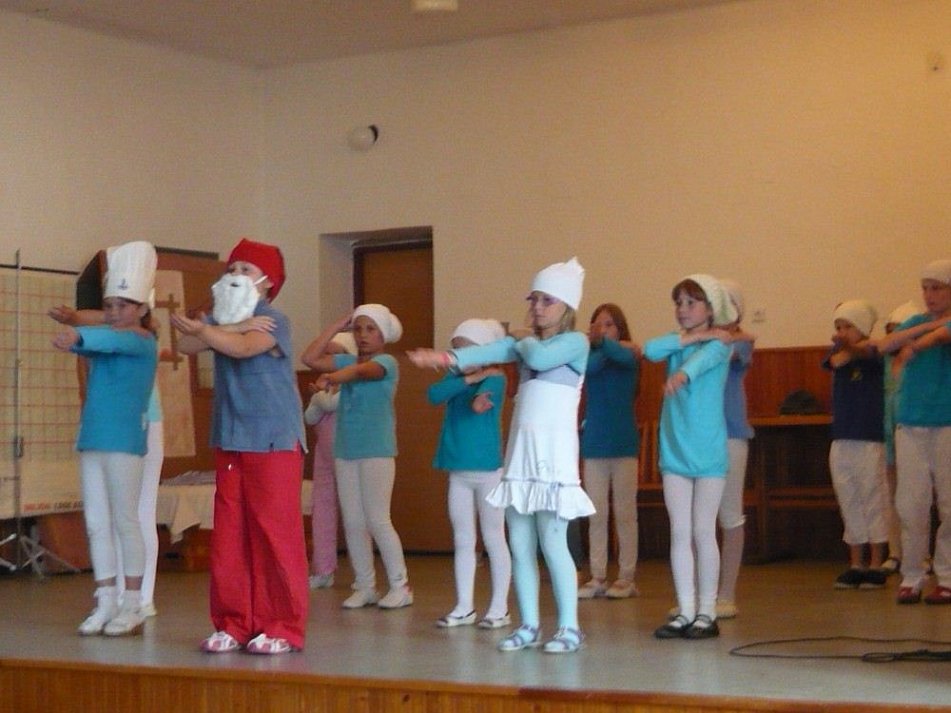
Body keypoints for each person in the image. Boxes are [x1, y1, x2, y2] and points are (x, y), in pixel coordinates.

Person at [409, 257, 594, 654]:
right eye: (534, 300)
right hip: (520, 456)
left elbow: (536, 356)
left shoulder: (576, 343)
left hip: (554, 457)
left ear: (566, 305)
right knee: (521, 542)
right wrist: (444, 359)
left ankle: (569, 626)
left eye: (546, 300)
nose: (537, 307)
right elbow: (485, 352)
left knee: (553, 542)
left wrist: (517, 340)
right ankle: (529, 624)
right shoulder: (522, 345)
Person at [171, 238, 309, 654]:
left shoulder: (274, 320)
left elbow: (245, 347)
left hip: (273, 439)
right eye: (231, 268)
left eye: (246, 269)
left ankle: (282, 626)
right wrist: (217, 326)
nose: (235, 275)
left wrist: (213, 330)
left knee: (274, 534)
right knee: (230, 534)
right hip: (231, 438)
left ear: (268, 282)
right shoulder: (219, 319)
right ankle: (234, 623)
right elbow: (186, 344)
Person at [51, 240, 158, 637]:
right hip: (93, 439)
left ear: (142, 309)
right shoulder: (107, 336)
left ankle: (133, 603)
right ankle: (106, 600)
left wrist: (77, 336)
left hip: (124, 442)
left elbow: (110, 340)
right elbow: (99, 339)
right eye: (109, 305)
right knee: (96, 523)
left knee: (125, 520)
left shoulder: (142, 341)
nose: (114, 313)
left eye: (123, 306)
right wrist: (78, 334)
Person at [301, 304, 412, 610]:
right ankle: (365, 586)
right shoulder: (346, 361)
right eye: (358, 328)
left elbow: (363, 372)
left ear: (383, 335)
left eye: (371, 329)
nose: (363, 335)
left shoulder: (387, 362)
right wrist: (337, 326)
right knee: (353, 521)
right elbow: (309, 358)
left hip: (377, 451)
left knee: (378, 519)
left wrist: (332, 377)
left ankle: (401, 585)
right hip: (345, 450)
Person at [644, 274, 735, 640]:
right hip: (675, 449)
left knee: (702, 529)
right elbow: (650, 350)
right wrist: (691, 337)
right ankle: (684, 609)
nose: (682, 309)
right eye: (678, 303)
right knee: (679, 531)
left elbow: (698, 364)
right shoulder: (677, 342)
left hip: (708, 450)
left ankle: (707, 611)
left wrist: (681, 374)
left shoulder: (720, 345)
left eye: (691, 303)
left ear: (711, 309)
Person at [427, 318, 512, 629]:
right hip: (459, 472)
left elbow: (481, 402)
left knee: (493, 537)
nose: (461, 357)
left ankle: (499, 608)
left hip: (488, 472)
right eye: (457, 351)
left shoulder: (496, 378)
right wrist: (468, 379)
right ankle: (464, 606)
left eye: (468, 350)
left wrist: (478, 390)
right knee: (463, 538)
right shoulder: (456, 379)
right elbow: (433, 395)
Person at [875, 259, 951, 605]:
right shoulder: (917, 322)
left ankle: (946, 576)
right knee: (911, 503)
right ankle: (912, 574)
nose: (930, 295)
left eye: (938, 288)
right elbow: (885, 345)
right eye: (926, 288)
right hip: (910, 422)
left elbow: (943, 335)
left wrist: (918, 344)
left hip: (946, 422)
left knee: (948, 503)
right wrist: (922, 329)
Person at [822, 300, 889, 590]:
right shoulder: (838, 353)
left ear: (862, 327)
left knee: (872, 498)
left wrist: (852, 346)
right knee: (848, 498)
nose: (841, 332)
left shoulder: (874, 354)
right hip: (842, 438)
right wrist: (846, 345)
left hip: (868, 438)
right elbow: (835, 363)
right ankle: (856, 563)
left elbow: (870, 352)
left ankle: (876, 562)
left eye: (848, 326)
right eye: (838, 326)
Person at [578, 303, 641, 600]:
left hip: (624, 443)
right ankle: (598, 575)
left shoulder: (628, 356)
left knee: (625, 513)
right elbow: (589, 368)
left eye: (609, 324)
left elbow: (626, 356)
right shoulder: (591, 357)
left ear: (620, 328)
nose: (603, 329)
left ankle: (627, 577)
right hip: (594, 443)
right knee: (596, 513)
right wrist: (603, 346)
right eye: (598, 324)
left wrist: (605, 344)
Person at [303, 331, 357, 590]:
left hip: (348, 454)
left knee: (355, 513)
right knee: (322, 509)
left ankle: (363, 575)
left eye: (339, 354)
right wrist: (318, 397)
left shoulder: (353, 381)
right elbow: (310, 416)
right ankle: (323, 569)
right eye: (329, 353)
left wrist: (319, 397)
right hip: (323, 456)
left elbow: (330, 404)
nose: (332, 359)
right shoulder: (324, 382)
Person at [714, 279, 755, 617]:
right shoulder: (699, 339)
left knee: (730, 514)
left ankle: (726, 594)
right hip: (701, 437)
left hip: (731, 434)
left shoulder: (740, 343)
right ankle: (697, 596)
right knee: (697, 520)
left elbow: (729, 352)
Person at [880, 301, 919, 576]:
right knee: (892, 495)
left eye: (899, 330)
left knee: (916, 497)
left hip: (913, 432)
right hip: (888, 431)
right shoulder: (884, 360)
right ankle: (895, 552)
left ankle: (920, 555)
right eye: (891, 330)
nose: (894, 336)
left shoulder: (919, 359)